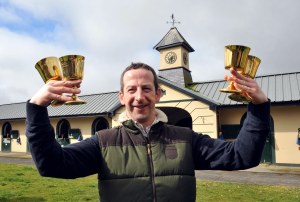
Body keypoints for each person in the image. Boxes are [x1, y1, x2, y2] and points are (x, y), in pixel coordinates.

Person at [26, 62, 270, 202]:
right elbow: (51, 165)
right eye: (131, 90)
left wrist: (258, 106)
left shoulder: (184, 138)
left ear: (158, 94)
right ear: (122, 97)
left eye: (146, 88)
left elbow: (242, 155)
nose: (139, 97)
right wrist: (36, 108)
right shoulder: (103, 142)